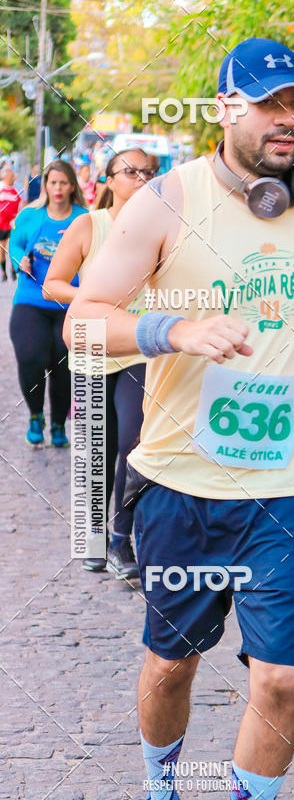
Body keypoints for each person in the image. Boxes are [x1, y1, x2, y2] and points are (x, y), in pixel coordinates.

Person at [66, 37, 294, 800]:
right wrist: (175, 330)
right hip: (180, 483)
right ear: (226, 108)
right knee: (172, 663)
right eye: (270, 104)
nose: (288, 120)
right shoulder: (162, 204)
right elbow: (83, 325)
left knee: (280, 681)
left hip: (284, 491)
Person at [44, 149, 156, 577]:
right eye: (131, 172)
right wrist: (93, 299)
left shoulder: (161, 229)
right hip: (91, 344)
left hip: (136, 347)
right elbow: (54, 283)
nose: (142, 178)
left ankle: (119, 541)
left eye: (148, 172)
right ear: (109, 180)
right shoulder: (89, 225)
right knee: (96, 449)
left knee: (133, 447)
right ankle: (90, 537)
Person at [8, 161, 87, 447]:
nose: (58, 189)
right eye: (53, 183)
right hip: (31, 300)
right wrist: (20, 260)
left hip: (70, 305)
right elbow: (14, 244)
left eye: (63, 183)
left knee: (63, 366)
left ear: (72, 186)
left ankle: (57, 425)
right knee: (30, 357)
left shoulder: (84, 218)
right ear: (45, 186)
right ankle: (34, 416)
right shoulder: (31, 215)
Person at [0, 164, 21, 282]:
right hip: (1, 223)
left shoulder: (17, 188)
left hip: (12, 224)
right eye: (11, 175)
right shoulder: (0, 187)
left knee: (11, 247)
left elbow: (23, 203)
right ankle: (3, 272)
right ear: (5, 176)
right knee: (2, 249)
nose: (14, 177)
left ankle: (13, 271)